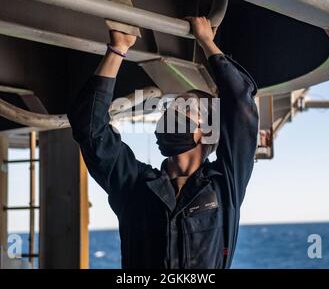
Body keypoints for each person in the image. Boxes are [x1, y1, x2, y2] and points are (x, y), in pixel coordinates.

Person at [68, 15, 259, 269]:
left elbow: (241, 103)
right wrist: (118, 49)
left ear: (206, 131)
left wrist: (206, 43)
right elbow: (89, 128)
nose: (170, 115)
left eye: (184, 109)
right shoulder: (134, 184)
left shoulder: (225, 184)